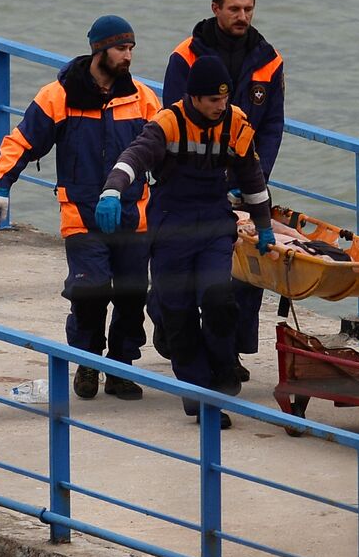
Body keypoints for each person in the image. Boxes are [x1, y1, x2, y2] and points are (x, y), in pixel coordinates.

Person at [0, 15, 161, 401]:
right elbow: (24, 141)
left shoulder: (143, 99)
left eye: (131, 48)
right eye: (121, 48)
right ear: (99, 49)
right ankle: (87, 363)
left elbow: (162, 154)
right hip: (80, 213)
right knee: (90, 290)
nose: (128, 56)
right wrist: (1, 184)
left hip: (134, 213)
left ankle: (120, 368)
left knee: (133, 295)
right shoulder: (58, 96)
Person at [97, 55, 275, 429]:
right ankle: (198, 396)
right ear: (194, 97)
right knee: (178, 316)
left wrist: (264, 225)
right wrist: (112, 192)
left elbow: (252, 177)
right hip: (170, 226)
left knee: (218, 298)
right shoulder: (169, 123)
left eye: (224, 99)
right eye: (213, 100)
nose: (220, 106)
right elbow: (133, 157)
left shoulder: (236, 124)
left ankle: (222, 366)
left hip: (212, 223)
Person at [158, 0, 284, 380]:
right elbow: (173, 120)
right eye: (234, 9)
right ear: (215, 9)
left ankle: (230, 353)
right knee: (187, 279)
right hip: (192, 182)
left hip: (246, 180)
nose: (242, 16)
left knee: (245, 276)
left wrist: (254, 180)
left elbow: (272, 126)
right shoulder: (185, 57)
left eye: (248, 9)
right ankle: (166, 320)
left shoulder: (270, 60)